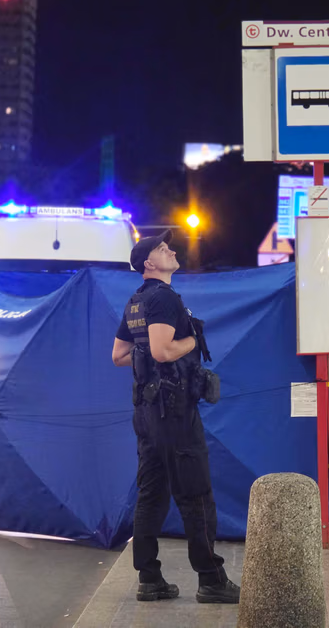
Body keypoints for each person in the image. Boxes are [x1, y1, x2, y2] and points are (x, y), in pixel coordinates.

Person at [112, 230, 240, 604]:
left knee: (151, 493)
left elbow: (119, 356)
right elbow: (162, 351)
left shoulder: (136, 301)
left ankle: (149, 579)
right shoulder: (164, 298)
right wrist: (193, 340)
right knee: (195, 493)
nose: (171, 250)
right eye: (162, 248)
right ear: (149, 263)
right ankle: (211, 580)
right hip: (175, 412)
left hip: (147, 413)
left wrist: (149, 356)